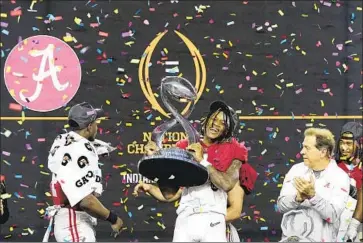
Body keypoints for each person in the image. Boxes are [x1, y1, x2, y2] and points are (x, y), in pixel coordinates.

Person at [134, 100, 256, 242]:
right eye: (214, 118)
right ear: (206, 119)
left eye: (222, 123)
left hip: (213, 218)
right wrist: (158, 161)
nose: (215, 124)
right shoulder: (185, 146)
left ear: (228, 130)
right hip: (185, 220)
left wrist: (201, 161)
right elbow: (169, 194)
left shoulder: (235, 151)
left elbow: (227, 183)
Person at [44, 102, 123, 242]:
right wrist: (113, 219)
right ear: (89, 126)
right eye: (95, 123)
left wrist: (100, 148)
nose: (97, 127)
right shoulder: (79, 151)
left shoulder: (62, 140)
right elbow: (86, 201)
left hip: (69, 220)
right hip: (74, 222)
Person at [277, 127, 350, 242]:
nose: (302, 151)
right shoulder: (295, 170)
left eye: (307, 148)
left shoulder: (340, 177)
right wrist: (297, 199)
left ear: (323, 152)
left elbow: (333, 215)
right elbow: (281, 206)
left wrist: (313, 196)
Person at [336, 122, 363, 242]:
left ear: (359, 144)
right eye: (342, 142)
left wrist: (354, 225)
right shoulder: (331, 166)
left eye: (348, 143)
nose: (343, 147)